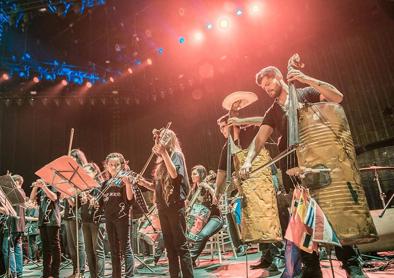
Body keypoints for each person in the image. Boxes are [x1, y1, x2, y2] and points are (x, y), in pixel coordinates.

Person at [240, 61, 365, 278]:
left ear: (280, 77)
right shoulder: (272, 111)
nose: (268, 89)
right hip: (295, 174)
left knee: (333, 218)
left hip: (319, 167)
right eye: (264, 87)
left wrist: (306, 79)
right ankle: (311, 266)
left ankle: (351, 263)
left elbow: (337, 97)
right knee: (304, 223)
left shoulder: (305, 93)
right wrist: (248, 161)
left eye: (270, 83)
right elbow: (259, 139)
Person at [138, 128, 194, 278]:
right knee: (169, 247)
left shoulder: (176, 155)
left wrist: (163, 153)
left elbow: (174, 175)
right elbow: (158, 186)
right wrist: (144, 183)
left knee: (181, 245)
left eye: (160, 140)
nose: (157, 144)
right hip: (163, 207)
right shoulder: (162, 160)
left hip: (175, 205)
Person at [101, 152, 135, 278]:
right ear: (107, 166)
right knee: (113, 249)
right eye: (111, 165)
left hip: (122, 217)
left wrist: (128, 184)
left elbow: (130, 200)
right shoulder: (105, 184)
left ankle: (129, 275)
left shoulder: (123, 180)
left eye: (116, 164)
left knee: (126, 248)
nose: (114, 167)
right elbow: (101, 203)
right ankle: (116, 275)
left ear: (121, 165)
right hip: (109, 219)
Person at [187, 165, 223, 265]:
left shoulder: (210, 186)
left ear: (202, 175)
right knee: (185, 233)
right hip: (199, 220)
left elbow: (216, 200)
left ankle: (189, 261)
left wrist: (208, 188)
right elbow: (187, 203)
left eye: (195, 174)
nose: (192, 176)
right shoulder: (193, 190)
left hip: (214, 218)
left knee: (203, 234)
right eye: (191, 174)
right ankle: (189, 260)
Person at [30, 179, 62, 278]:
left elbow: (54, 197)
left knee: (54, 247)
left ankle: (54, 273)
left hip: (52, 220)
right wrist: (35, 187)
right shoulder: (41, 189)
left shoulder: (54, 185)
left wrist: (44, 186)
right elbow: (31, 199)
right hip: (42, 221)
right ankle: (46, 273)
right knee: (45, 248)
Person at [80, 162, 105, 278]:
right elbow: (80, 205)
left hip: (97, 221)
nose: (84, 175)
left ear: (95, 172)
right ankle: (92, 275)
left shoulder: (100, 186)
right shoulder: (83, 188)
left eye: (87, 172)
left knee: (97, 250)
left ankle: (99, 276)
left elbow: (101, 205)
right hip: (85, 220)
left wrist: (90, 197)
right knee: (88, 251)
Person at [2, 175, 26, 278]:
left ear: (16, 182)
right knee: (17, 248)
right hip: (21, 225)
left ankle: (12, 273)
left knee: (8, 249)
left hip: (13, 224)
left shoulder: (14, 193)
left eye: (11, 182)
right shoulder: (23, 193)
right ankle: (19, 272)